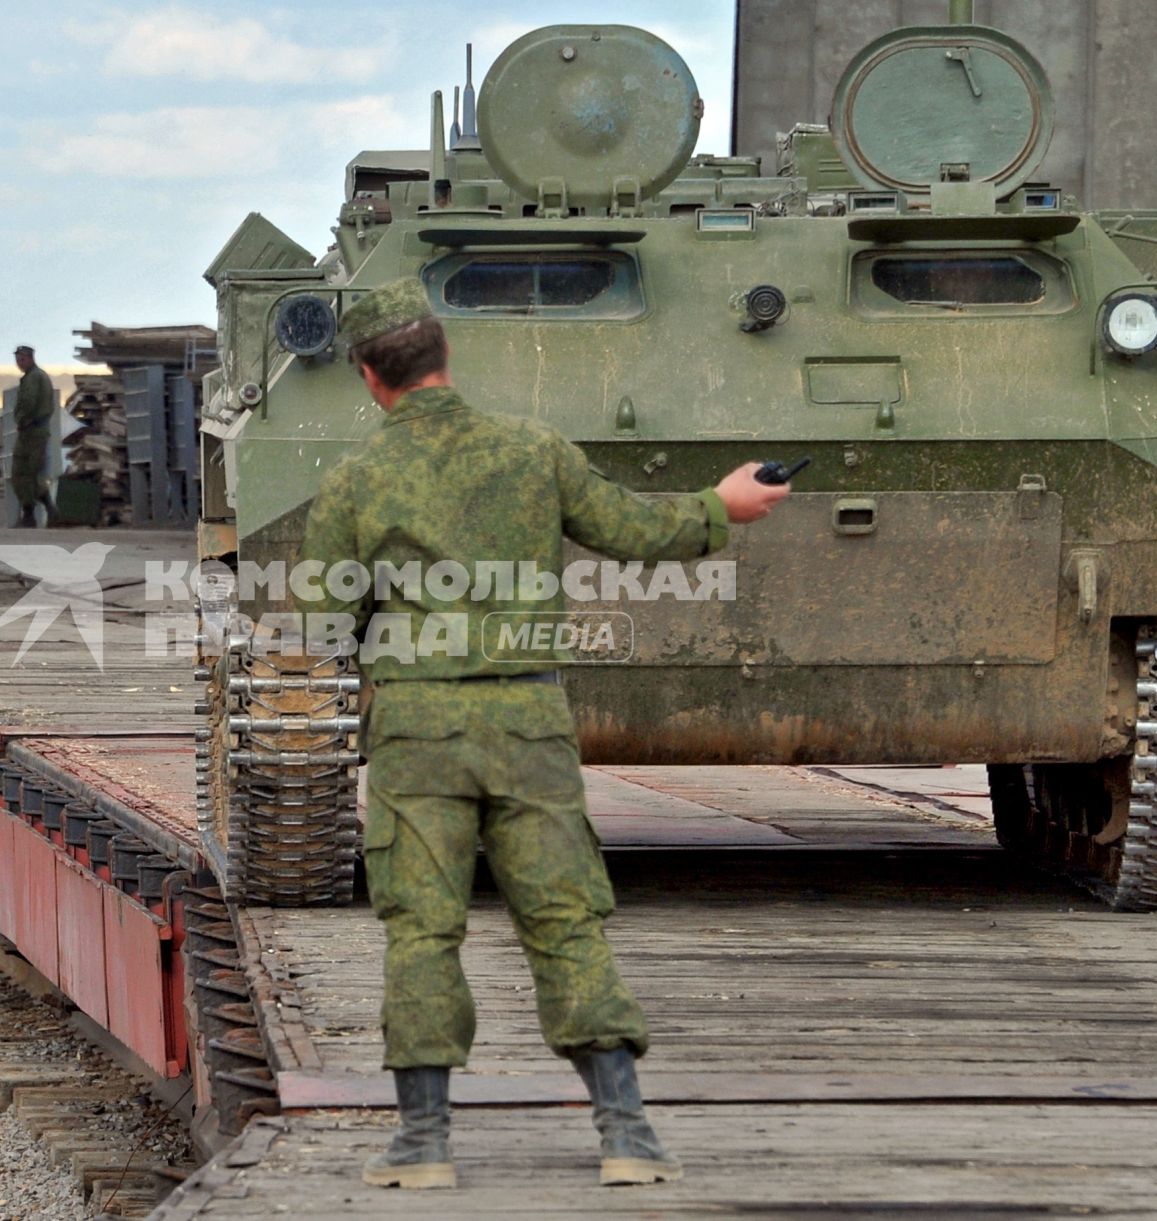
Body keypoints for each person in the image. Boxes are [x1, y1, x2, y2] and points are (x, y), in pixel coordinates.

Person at [296, 278, 790, 1190]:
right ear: (443, 356)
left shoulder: (357, 482)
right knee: (566, 917)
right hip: (527, 721)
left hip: (417, 730)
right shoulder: (534, 452)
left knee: (422, 929)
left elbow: (323, 628)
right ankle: (625, 1133)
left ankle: (423, 1145)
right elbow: (636, 530)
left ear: (370, 377)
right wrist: (723, 506)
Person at [11, 344, 55, 527]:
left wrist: (22, 419)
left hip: (32, 431)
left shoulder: (34, 378)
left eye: (22, 359)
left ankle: (34, 513)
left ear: (30, 358)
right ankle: (36, 512)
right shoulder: (36, 376)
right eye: (17, 360)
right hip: (35, 430)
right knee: (27, 473)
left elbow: (29, 401)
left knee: (25, 473)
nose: (19, 363)